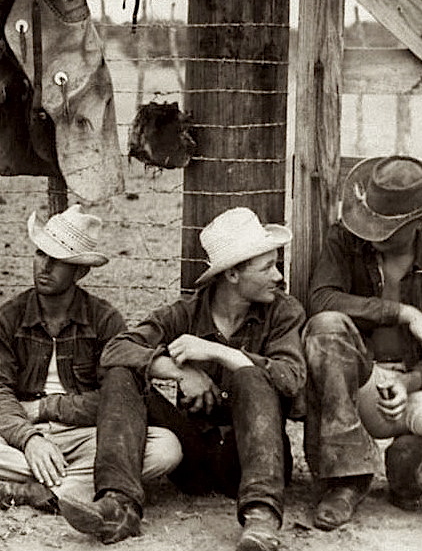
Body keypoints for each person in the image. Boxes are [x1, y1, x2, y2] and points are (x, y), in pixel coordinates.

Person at [57, 207, 305, 551]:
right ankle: (119, 505)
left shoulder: (284, 311)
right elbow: (116, 350)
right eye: (267, 267)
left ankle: (261, 518)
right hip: (193, 457)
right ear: (232, 275)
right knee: (121, 375)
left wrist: (221, 354)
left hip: (248, 463)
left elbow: (291, 379)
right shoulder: (185, 314)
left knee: (251, 375)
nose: (278, 276)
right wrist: (178, 370)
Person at [0, 204, 182, 512]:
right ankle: (70, 487)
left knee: (166, 448)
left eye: (58, 260)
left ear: (81, 271)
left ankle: (26, 492)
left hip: (87, 435)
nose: (44, 267)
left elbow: (116, 399)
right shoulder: (6, 318)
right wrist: (29, 438)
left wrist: (47, 407)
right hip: (19, 434)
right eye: (40, 254)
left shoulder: (105, 320)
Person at [302, 155, 422, 528]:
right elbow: (322, 299)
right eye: (372, 221)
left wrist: (411, 382)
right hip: (364, 384)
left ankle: (421, 473)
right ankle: (345, 482)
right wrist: (405, 313)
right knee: (326, 326)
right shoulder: (344, 241)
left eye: (391, 227)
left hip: (420, 388)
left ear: (421, 221)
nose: (374, 233)